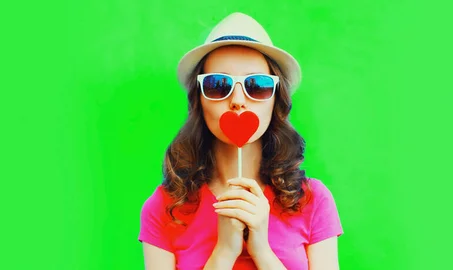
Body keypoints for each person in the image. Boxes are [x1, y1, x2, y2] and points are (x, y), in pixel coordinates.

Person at [138, 12, 343, 270]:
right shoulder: (165, 207)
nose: (237, 100)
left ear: (275, 100)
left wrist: (261, 249)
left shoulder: (312, 200)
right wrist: (224, 251)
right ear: (199, 102)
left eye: (256, 85)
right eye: (218, 84)